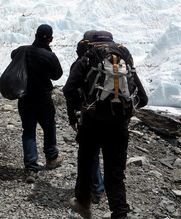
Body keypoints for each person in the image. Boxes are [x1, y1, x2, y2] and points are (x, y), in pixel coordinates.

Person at [63, 31, 149, 219]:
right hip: (119, 128)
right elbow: (143, 99)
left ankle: (84, 203)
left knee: (86, 164)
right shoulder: (123, 60)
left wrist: (81, 107)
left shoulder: (88, 58)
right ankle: (119, 213)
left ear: (92, 43)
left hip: (91, 125)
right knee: (115, 173)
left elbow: (68, 89)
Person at [12, 24, 64, 183]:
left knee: (28, 131)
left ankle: (31, 168)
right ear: (51, 39)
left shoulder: (23, 50)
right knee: (49, 126)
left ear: (35, 35)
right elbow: (57, 75)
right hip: (43, 98)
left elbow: (13, 54)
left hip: (25, 98)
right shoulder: (49, 56)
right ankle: (51, 157)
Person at [66, 30, 105, 204]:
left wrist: (74, 114)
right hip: (111, 115)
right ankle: (101, 190)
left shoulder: (80, 64)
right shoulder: (108, 62)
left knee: (90, 154)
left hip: (88, 115)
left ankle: (94, 190)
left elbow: (69, 91)